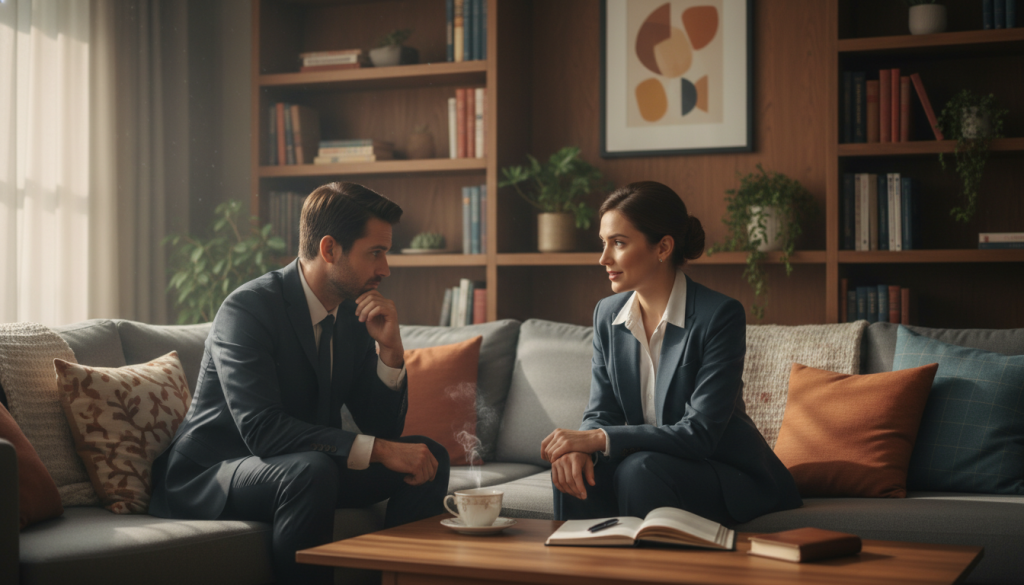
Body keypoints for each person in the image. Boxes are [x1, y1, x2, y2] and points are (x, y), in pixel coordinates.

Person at [149, 182, 450, 585]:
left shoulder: (354, 318)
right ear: (329, 250)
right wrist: (378, 450)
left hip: (308, 466)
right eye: (375, 253)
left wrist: (391, 353)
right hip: (217, 472)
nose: (385, 269)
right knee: (311, 471)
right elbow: (262, 430)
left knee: (428, 456)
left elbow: (383, 430)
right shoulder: (248, 309)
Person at [541, 181, 802, 526]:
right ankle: (587, 559)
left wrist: (598, 438)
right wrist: (577, 448)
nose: (604, 258)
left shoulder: (718, 315)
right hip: (650, 468)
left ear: (663, 247)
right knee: (571, 470)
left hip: (722, 473)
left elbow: (700, 433)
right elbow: (602, 411)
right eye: (603, 243)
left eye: (618, 243)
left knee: (639, 470)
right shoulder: (607, 314)